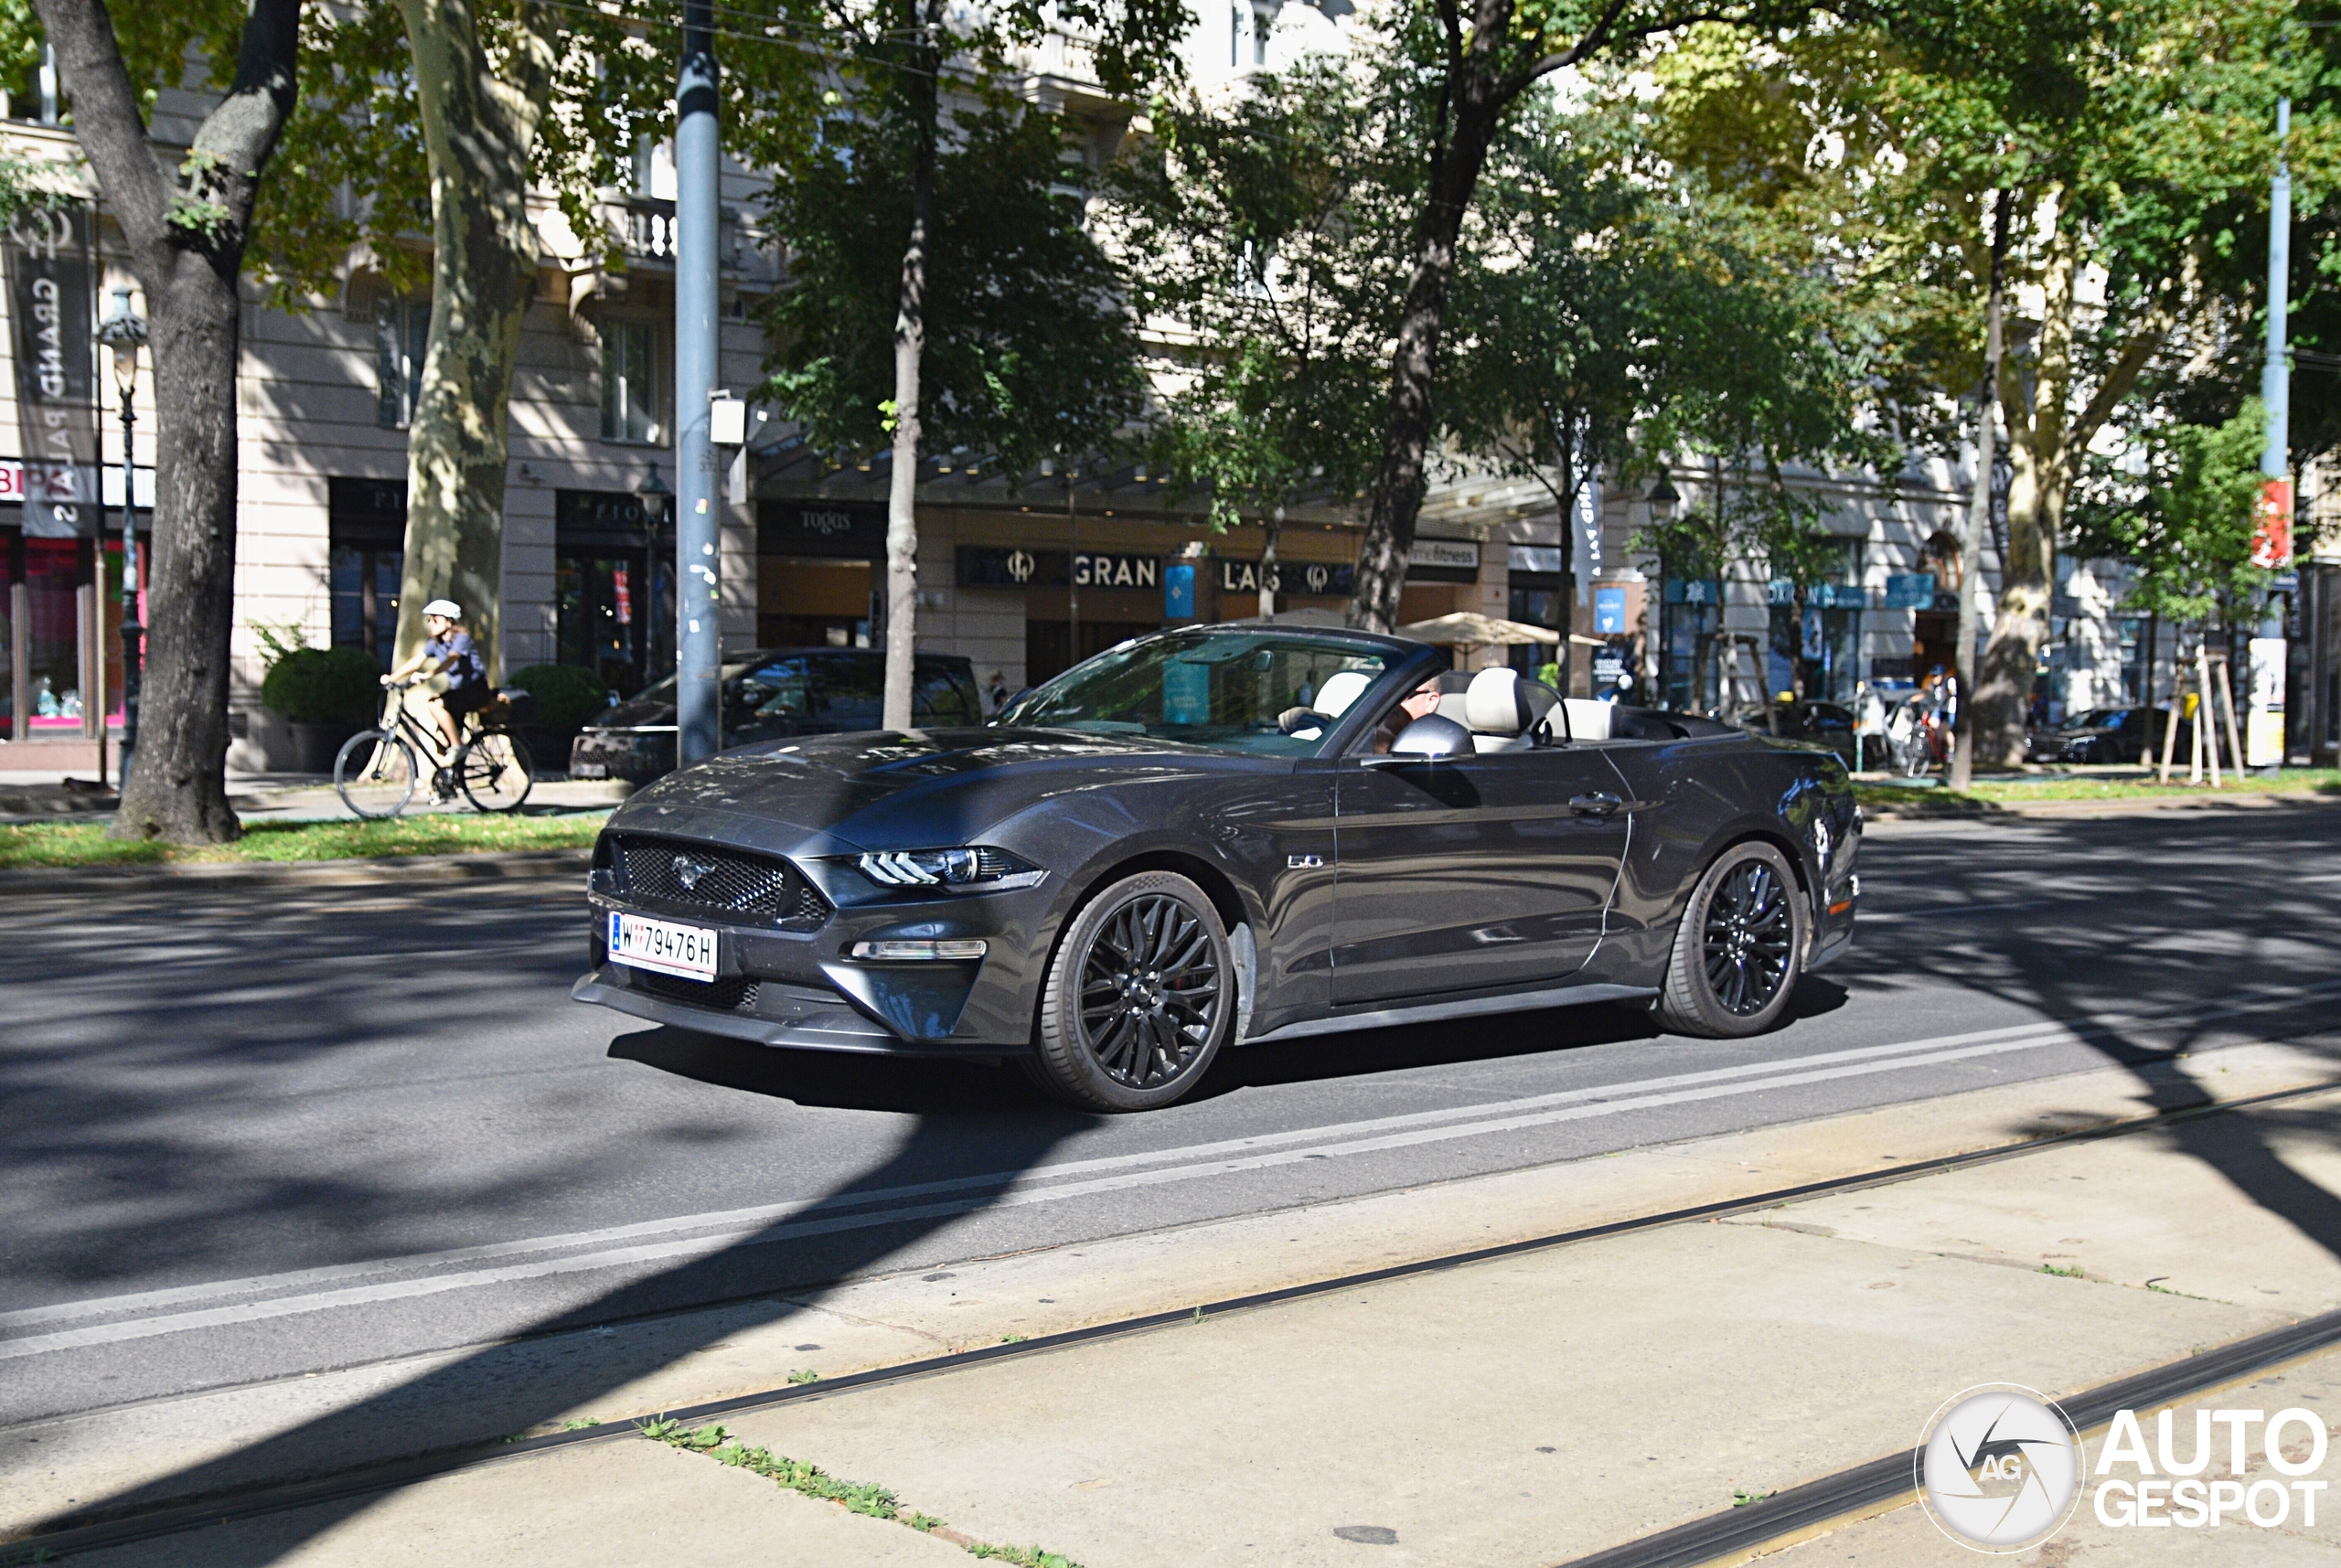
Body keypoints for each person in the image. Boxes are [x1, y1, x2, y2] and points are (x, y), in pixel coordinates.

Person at [382, 599, 490, 758]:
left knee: (435, 704)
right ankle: (447, 779)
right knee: (439, 739)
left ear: (448, 622)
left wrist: (427, 675)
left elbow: (451, 660)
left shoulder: (461, 639)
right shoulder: (435, 643)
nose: (431, 623)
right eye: (429, 619)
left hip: (475, 690)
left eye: (435, 619)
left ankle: (458, 746)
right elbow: (416, 661)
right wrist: (392, 677)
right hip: (458, 694)